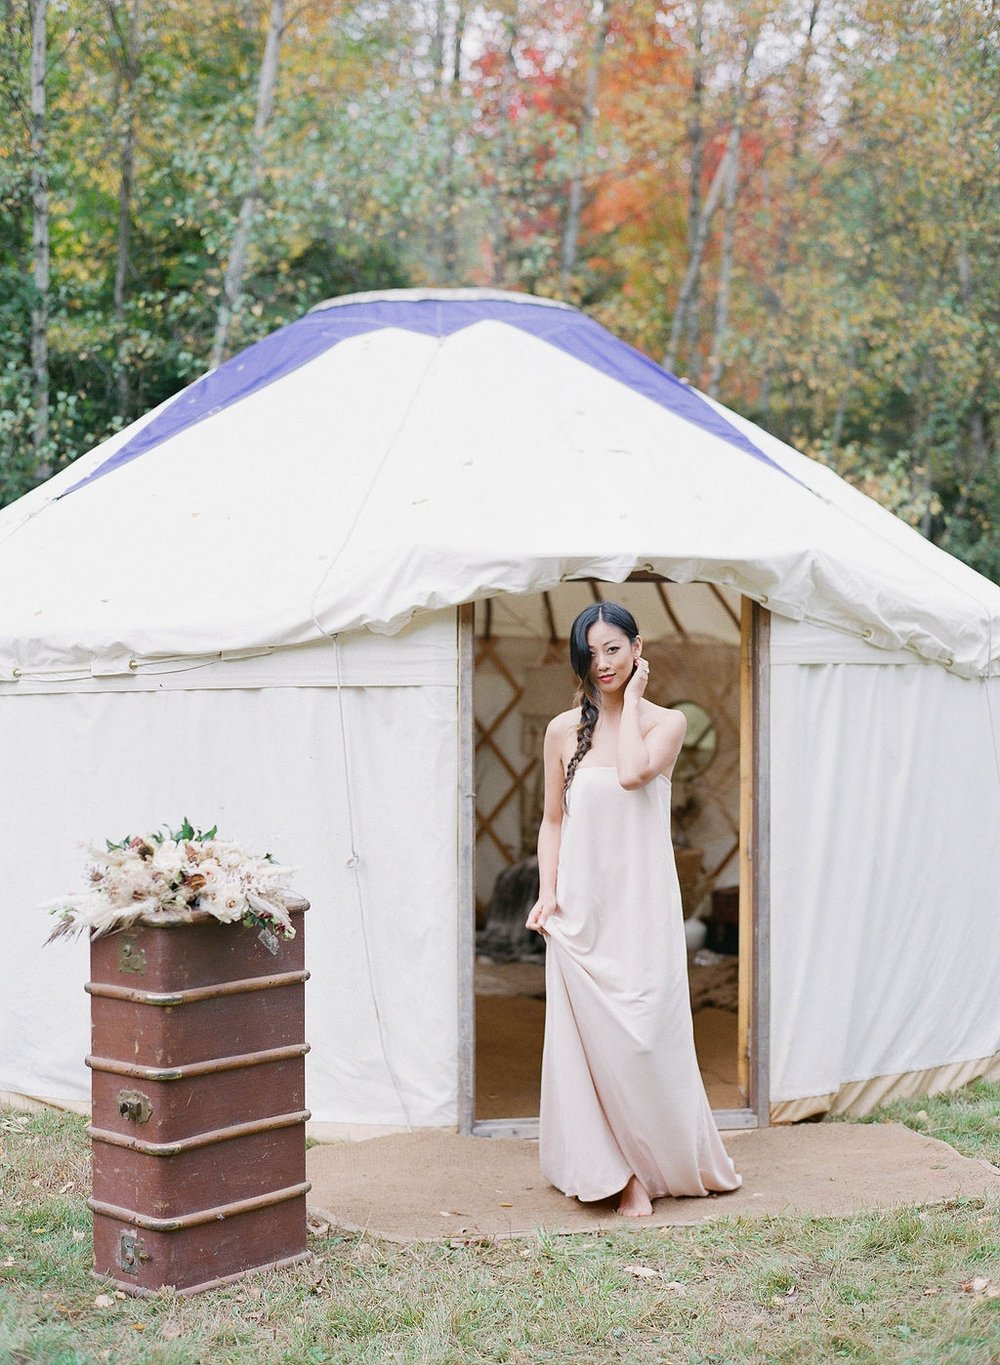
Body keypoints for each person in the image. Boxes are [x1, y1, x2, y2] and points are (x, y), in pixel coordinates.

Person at [525, 601, 741, 1216]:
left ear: (636, 647)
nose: (602, 663)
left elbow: (629, 775)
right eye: (590, 653)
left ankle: (658, 1159)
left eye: (613, 649)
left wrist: (634, 698)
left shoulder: (667, 724)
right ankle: (619, 1175)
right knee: (586, 1045)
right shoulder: (562, 731)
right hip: (581, 907)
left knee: (647, 1037)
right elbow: (551, 819)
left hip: (642, 907)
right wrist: (548, 892)